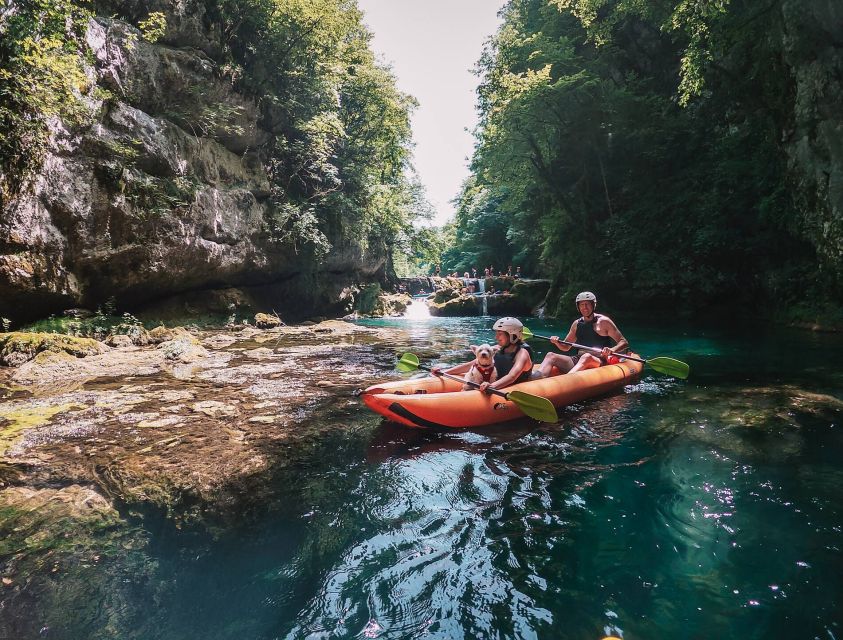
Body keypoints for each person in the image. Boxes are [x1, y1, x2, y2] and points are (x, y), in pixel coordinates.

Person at [537, 291, 629, 377]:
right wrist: (557, 342)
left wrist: (612, 349)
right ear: (578, 307)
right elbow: (565, 347)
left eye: (587, 304)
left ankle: (564, 381)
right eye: (581, 305)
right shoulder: (577, 324)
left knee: (586, 357)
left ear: (593, 305)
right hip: (579, 359)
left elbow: (623, 342)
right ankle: (536, 379)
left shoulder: (604, 322)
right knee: (550, 355)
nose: (584, 307)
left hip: (599, 360)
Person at [433, 317, 533, 391]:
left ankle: (549, 359)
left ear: (512, 335)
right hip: (500, 381)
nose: (496, 337)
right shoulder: (497, 349)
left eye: (500, 334)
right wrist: (445, 372)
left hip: (527, 380)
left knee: (543, 373)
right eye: (496, 333)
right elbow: (472, 364)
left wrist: (492, 386)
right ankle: (550, 357)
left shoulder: (522, 353)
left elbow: (512, 376)